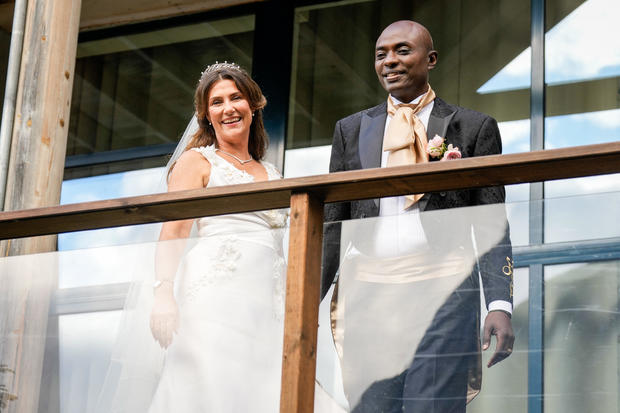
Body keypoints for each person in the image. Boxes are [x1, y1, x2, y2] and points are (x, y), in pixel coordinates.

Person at [322, 20, 515, 412]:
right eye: (381, 54)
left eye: (402, 51)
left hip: (444, 291)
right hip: (369, 296)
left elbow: (492, 222)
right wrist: (306, 301)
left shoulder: (474, 127)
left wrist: (500, 303)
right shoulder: (350, 130)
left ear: (431, 59)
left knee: (432, 406)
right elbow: (332, 227)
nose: (390, 61)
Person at [106, 62, 288, 412]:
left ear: (252, 105)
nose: (228, 108)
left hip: (266, 305)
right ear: (206, 115)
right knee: (209, 387)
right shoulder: (197, 162)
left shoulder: (273, 173)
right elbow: (173, 231)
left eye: (236, 98)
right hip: (215, 297)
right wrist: (163, 295)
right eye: (217, 102)